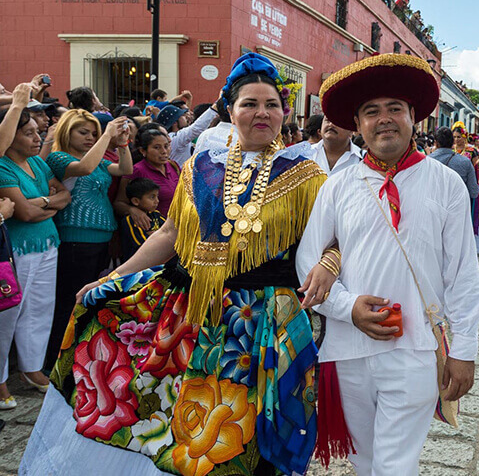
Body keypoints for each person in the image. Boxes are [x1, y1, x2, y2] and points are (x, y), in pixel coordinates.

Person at [20, 53, 334, 475]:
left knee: (235, 428)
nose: (262, 113)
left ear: (284, 113)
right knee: (172, 417)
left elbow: (335, 240)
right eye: (249, 104)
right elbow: (169, 235)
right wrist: (114, 276)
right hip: (188, 310)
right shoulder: (200, 168)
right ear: (230, 111)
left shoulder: (308, 176)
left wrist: (330, 263)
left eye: (272, 105)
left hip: (257, 322)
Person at [296, 53, 479, 475]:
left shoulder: (445, 183)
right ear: (357, 125)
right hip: (346, 350)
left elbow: (463, 275)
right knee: (364, 462)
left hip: (415, 349)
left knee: (396, 465)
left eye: (394, 109)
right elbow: (309, 261)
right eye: (371, 112)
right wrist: (348, 308)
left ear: (413, 116)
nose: (384, 119)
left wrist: (465, 349)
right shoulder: (339, 186)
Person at [43, 110, 132, 371]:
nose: (90, 138)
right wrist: (106, 135)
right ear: (66, 132)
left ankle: (78, 355)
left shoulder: (100, 161)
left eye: (93, 133)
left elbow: (125, 168)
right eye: (83, 132)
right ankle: (54, 360)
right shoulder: (59, 158)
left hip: (101, 238)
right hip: (75, 240)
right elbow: (83, 168)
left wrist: (123, 142)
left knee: (89, 300)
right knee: (69, 302)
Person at [0, 107, 69, 408]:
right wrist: (47, 205)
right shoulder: (4, 167)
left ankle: (32, 367)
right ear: (8, 135)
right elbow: (23, 214)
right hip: (18, 248)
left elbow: (64, 196)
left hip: (47, 243)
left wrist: (41, 202)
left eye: (37, 132)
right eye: (27, 133)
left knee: (40, 308)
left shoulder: (37, 165)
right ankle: (2, 380)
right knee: (8, 316)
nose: (36, 137)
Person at [114, 128, 180, 230]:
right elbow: (119, 203)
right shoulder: (136, 171)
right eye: (157, 147)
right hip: (153, 231)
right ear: (143, 151)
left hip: (178, 227)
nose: (164, 151)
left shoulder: (173, 166)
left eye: (166, 146)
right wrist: (132, 210)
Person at [430, 126, 479, 213]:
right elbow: (474, 192)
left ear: (436, 143)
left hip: (433, 209)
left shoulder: (426, 161)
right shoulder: (465, 162)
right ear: (453, 142)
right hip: (458, 210)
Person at [118, 177, 165, 261]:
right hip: (138, 265)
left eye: (157, 196)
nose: (157, 201)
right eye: (152, 197)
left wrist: (152, 234)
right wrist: (159, 234)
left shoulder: (156, 214)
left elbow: (169, 230)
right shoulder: (130, 220)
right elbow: (142, 244)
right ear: (136, 201)